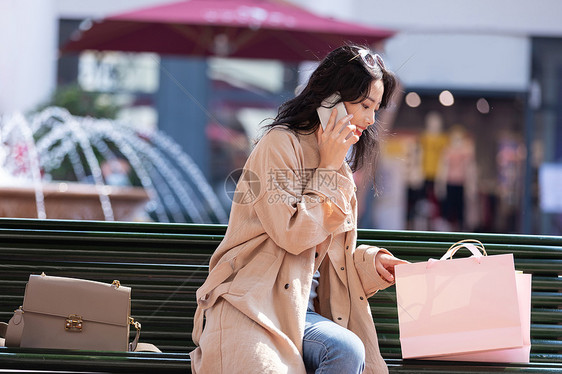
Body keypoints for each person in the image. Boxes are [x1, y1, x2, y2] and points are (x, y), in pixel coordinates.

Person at [190, 44, 408, 374]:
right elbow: (292, 235)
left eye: (375, 108)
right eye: (364, 105)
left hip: (304, 315)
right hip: (255, 307)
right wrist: (329, 167)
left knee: (347, 349)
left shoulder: (341, 171)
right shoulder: (279, 145)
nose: (370, 119)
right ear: (331, 100)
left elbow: (335, 259)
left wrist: (373, 263)